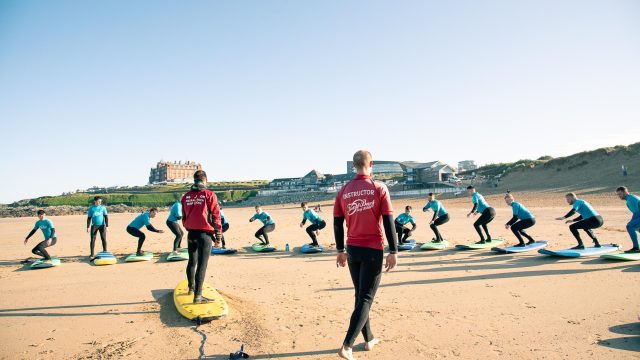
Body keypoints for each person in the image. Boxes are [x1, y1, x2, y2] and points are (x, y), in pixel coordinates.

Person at [334, 150, 398, 360]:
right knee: (366, 297)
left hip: (352, 249)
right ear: (371, 164)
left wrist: (340, 250)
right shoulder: (378, 188)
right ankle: (347, 346)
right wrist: (393, 251)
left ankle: (369, 338)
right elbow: (388, 222)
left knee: (361, 296)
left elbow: (337, 223)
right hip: (372, 249)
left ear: (354, 165)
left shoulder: (343, 190)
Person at [181, 170, 222, 303]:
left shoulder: (186, 196)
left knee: (192, 262)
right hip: (205, 235)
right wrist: (218, 237)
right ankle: (198, 296)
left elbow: (184, 217)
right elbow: (216, 216)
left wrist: (189, 228)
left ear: (194, 180)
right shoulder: (209, 195)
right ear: (205, 180)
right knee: (202, 265)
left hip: (191, 233)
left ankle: (191, 288)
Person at [615, 186, 640, 253]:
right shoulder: (632, 197)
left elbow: (637, 213)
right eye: (618, 195)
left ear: (625, 192)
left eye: (620, 194)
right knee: (636, 227)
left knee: (630, 226)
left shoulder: (630, 200)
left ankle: (636, 248)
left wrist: (631, 222)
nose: (619, 196)